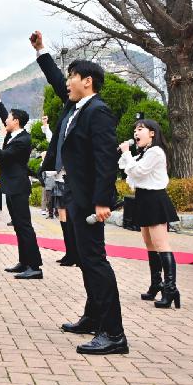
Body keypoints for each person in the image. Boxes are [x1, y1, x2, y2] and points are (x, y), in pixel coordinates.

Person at [33, 30, 127, 355]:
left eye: (72, 76)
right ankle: (93, 316)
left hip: (89, 200)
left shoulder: (97, 111)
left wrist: (102, 201)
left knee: (95, 261)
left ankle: (113, 333)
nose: (67, 82)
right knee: (85, 260)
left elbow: (105, 159)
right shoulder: (76, 108)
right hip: (74, 194)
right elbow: (57, 82)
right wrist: (41, 51)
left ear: (87, 81)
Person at [118, 119, 180, 308]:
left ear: (152, 133)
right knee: (149, 243)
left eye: (140, 129)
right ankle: (156, 283)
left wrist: (127, 154)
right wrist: (127, 154)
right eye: (135, 130)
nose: (136, 133)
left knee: (161, 244)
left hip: (155, 199)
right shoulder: (144, 153)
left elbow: (138, 172)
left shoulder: (156, 152)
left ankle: (170, 288)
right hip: (143, 198)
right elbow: (128, 172)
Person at [0, 88, 42, 279]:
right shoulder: (14, 134)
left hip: (18, 187)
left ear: (16, 121)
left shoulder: (23, 140)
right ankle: (24, 262)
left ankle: (34, 266)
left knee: (24, 226)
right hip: (12, 187)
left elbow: (2, 156)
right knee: (18, 225)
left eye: (9, 119)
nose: (5, 121)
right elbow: (4, 116)